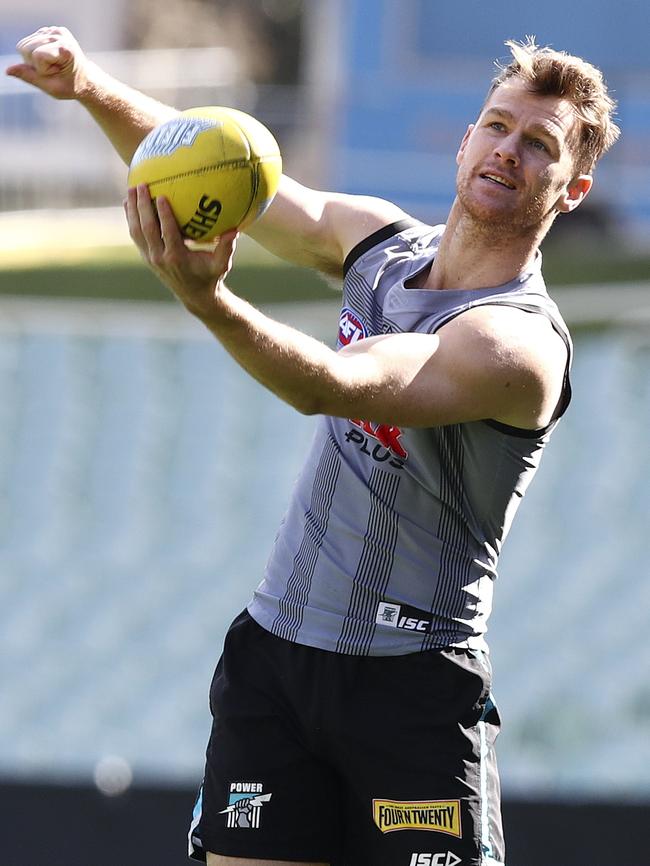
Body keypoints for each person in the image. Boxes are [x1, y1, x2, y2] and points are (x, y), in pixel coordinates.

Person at [8, 26, 619, 866]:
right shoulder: (381, 242)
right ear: (465, 139)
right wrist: (87, 85)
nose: (508, 151)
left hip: (413, 687)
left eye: (539, 144)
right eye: (497, 125)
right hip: (278, 662)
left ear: (573, 188)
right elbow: (220, 171)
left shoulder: (518, 348)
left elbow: (329, 386)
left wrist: (210, 303)